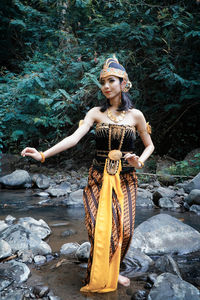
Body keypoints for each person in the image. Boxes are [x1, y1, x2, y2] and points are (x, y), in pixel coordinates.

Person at [21, 56, 154, 293]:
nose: (105, 86)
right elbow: (73, 138)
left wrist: (139, 161)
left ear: (123, 83)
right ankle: (98, 271)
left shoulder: (136, 116)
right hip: (98, 177)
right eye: (102, 82)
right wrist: (43, 155)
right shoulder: (95, 112)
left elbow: (149, 145)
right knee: (97, 227)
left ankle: (115, 271)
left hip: (126, 179)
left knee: (125, 230)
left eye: (111, 80)